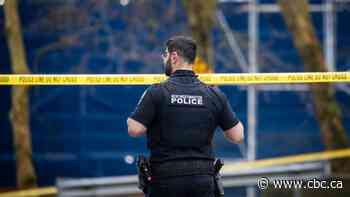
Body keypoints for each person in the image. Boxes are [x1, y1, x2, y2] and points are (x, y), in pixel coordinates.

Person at [127, 36, 244, 197]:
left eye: (165, 55)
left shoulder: (156, 92)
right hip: (203, 180)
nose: (164, 58)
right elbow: (237, 135)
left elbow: (134, 129)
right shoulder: (213, 94)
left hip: (165, 179)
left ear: (174, 57)